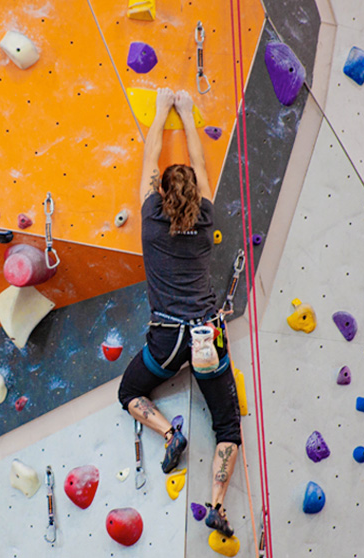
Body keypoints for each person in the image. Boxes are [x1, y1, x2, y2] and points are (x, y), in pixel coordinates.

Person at [117, 88, 241, 537]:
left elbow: (150, 158)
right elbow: (203, 168)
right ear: (193, 197)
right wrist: (187, 114)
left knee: (130, 392)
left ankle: (171, 434)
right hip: (207, 337)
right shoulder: (205, 219)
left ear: (161, 194)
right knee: (226, 425)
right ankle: (217, 507)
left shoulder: (151, 217)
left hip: (167, 341)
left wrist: (161, 112)